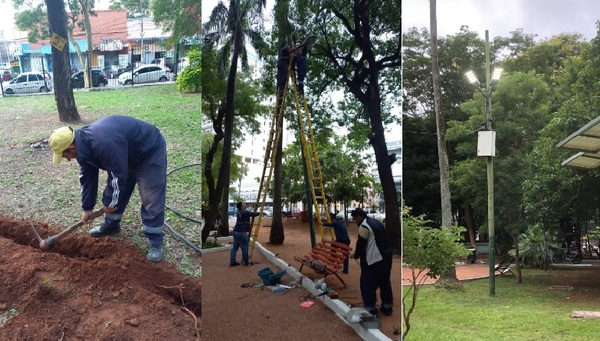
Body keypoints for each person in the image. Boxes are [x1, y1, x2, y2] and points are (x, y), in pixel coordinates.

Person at [48, 115, 167, 263]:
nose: (67, 159)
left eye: (65, 155)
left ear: (72, 147)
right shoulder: (84, 147)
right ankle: (111, 226)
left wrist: (109, 202)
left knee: (151, 197)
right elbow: (88, 179)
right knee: (118, 191)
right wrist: (87, 207)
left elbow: (117, 175)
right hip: (125, 156)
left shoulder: (101, 143)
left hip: (148, 152)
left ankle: (155, 240)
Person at [351, 207, 393, 317]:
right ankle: (387, 307)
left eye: (355, 218)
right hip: (387, 257)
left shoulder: (364, 225)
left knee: (367, 284)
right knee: (385, 282)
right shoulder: (377, 223)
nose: (355, 221)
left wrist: (356, 255)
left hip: (374, 259)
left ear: (359, 217)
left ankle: (371, 310)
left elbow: (361, 244)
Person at [231, 202, 260, 266]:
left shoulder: (239, 212)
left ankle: (232, 261)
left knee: (235, 248)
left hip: (236, 232)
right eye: (244, 204)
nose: (245, 204)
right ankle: (245, 261)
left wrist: (253, 206)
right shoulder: (244, 212)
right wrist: (261, 213)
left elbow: (249, 211)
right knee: (245, 247)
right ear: (241, 206)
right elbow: (252, 214)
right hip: (242, 232)